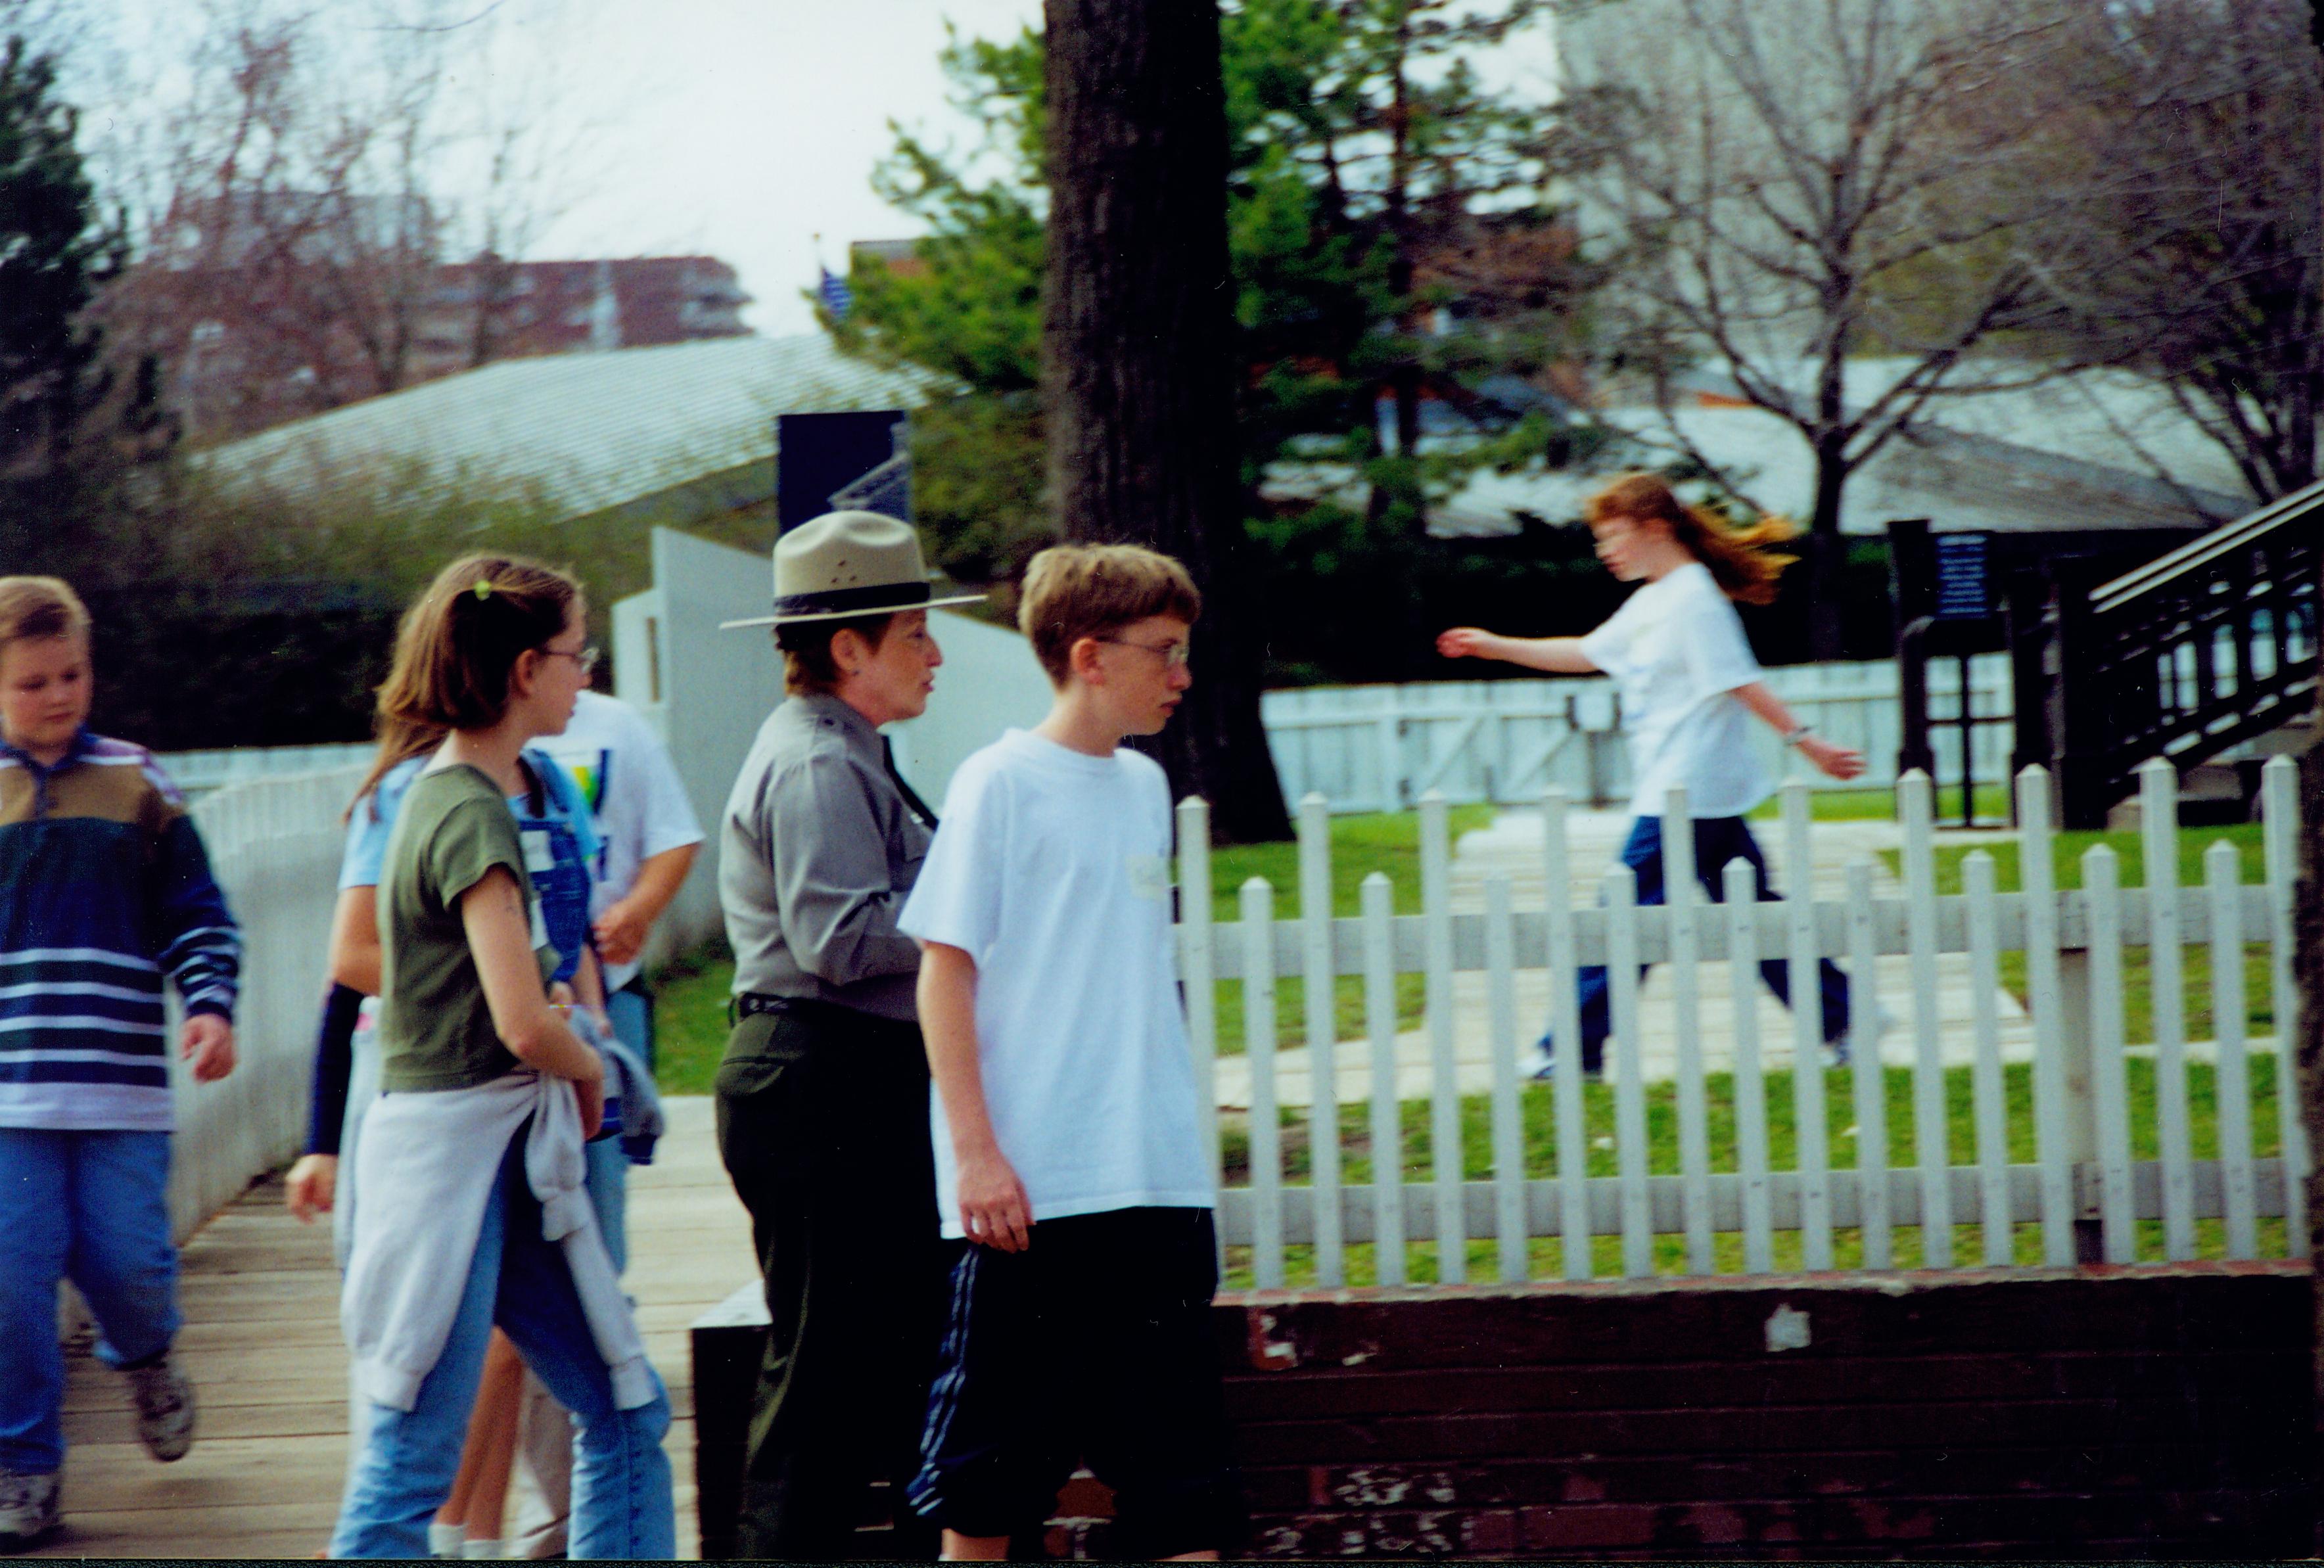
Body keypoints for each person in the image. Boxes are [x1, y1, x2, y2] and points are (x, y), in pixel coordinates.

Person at [900, 543, 1242, 1563]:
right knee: (988, 1485)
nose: (1183, 675)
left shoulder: (1143, 785)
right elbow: (944, 969)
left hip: (1159, 1187)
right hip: (1035, 1198)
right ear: (1091, 655)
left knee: (1187, 1486)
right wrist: (975, 1154)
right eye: (1165, 652)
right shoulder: (998, 781)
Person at [328, 555, 672, 1559]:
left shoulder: (475, 794)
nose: (585, 675)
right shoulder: (472, 813)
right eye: (577, 655)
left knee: (624, 1409)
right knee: (410, 1464)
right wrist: (594, 1067)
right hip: (450, 1166)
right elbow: (524, 1020)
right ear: (526, 669)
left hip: (507, 1160)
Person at [712, 509, 979, 1559]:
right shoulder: (822, 763)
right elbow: (839, 935)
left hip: (840, 1077)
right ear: (848, 648)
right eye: (916, 631)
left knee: (879, 1356)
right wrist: (973, 924)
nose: (935, 652)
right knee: (824, 1370)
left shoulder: (846, 750)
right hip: (820, 1077)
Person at [1435, 471, 1867, 1078]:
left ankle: (1569, 1052)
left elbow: (1738, 680)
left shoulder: (1693, 599)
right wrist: (1494, 645)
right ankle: (1849, 1021)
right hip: (1693, 788)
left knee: (1622, 915)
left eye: (1614, 537)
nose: (1605, 551)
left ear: (1656, 528)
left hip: (1685, 791)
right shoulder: (1658, 597)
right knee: (1752, 913)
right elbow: (1588, 653)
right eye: (1600, 541)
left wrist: (1807, 742)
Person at [0, 576, 241, 1550]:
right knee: (11, 1286)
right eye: (31, 683)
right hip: (10, 1094)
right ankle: (25, 1469)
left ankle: (144, 1353)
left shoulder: (141, 782)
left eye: (72, 674)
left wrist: (212, 1003)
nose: (58, 696)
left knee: (128, 1262)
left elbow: (197, 912)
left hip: (120, 1089)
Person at [507, 688, 701, 1559]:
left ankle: (563, 1514)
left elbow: (672, 840)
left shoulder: (605, 735)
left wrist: (639, 911)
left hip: (598, 1011)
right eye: (565, 647)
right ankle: (535, 1511)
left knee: (596, 1257)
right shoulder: (468, 766)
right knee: (520, 1289)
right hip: (506, 1038)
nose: (579, 667)